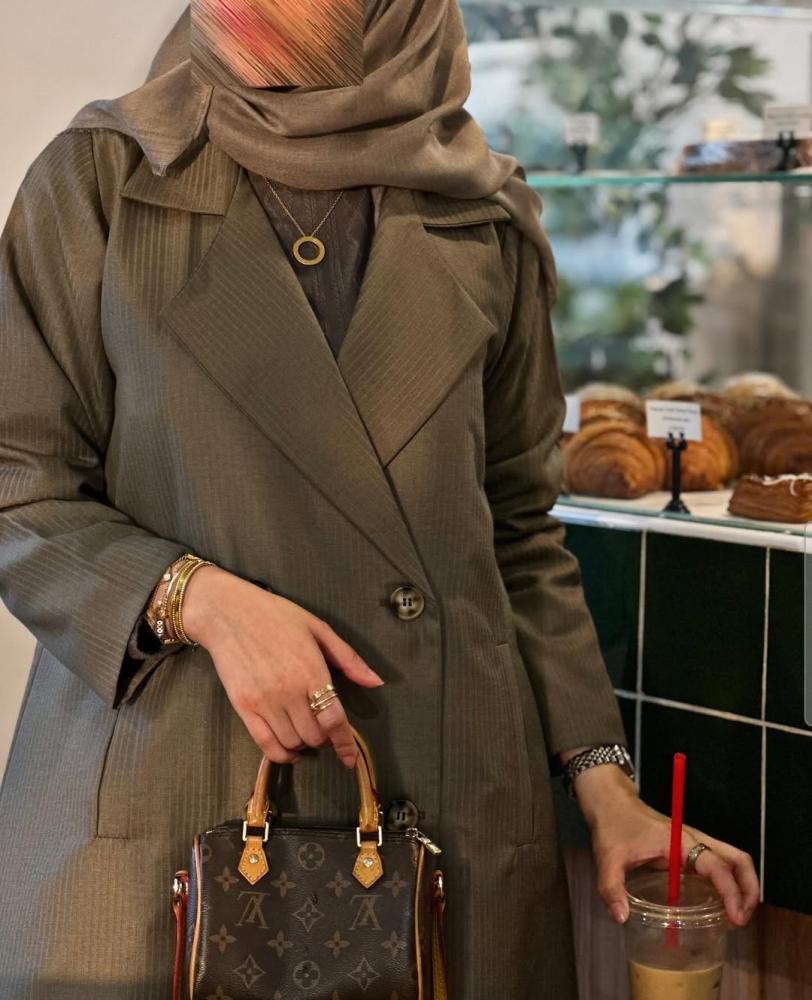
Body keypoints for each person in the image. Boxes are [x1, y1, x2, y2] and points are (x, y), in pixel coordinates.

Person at [0, 2, 758, 997]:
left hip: (446, 798)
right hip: (171, 794)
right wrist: (199, 599)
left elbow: (519, 536)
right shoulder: (104, 177)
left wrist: (603, 782)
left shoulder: (485, 214)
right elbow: (18, 479)